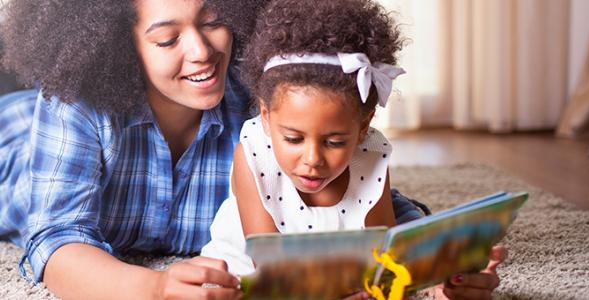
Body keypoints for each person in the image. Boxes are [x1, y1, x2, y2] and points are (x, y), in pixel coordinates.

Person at [201, 0, 506, 299]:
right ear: (266, 116)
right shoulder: (252, 153)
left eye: (334, 142)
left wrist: (435, 283)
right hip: (262, 273)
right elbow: (271, 271)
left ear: (363, 127)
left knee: (414, 239)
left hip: (345, 262)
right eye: (293, 139)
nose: (312, 160)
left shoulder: (371, 157)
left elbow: (384, 258)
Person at [0, 0, 269, 299]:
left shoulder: (261, 103)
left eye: (213, 22)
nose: (202, 52)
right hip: (11, 136)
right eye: (167, 39)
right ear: (123, 47)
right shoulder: (74, 103)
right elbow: (56, 239)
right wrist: (156, 288)